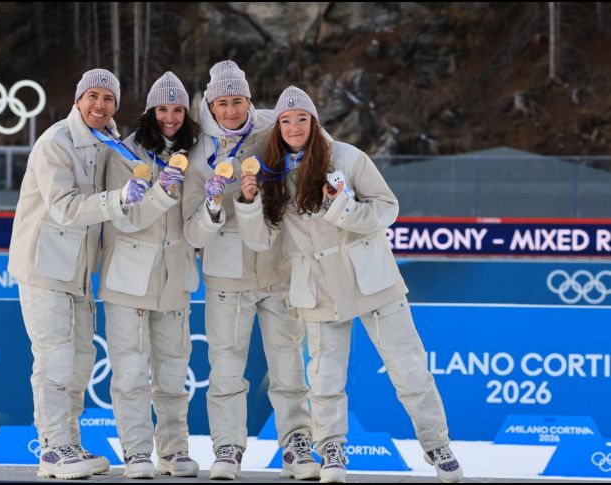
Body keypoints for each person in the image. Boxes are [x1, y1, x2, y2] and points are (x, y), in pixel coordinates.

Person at [236, 85, 464, 483]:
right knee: (325, 379)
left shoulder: (347, 157)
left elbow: (387, 209)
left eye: (301, 118)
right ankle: (332, 451)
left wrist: (343, 204)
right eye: (286, 120)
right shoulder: (271, 172)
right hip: (318, 288)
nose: (293, 127)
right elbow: (259, 239)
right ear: (278, 127)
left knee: (409, 368)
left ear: (314, 121)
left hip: (372, 280)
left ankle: (437, 444)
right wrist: (250, 201)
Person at [8, 68, 151, 480]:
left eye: (108, 99)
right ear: (78, 99)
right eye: (93, 96)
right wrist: (120, 198)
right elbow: (65, 207)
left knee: (80, 361)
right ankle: (53, 446)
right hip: (44, 267)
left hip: (80, 273)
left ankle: (68, 442)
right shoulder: (54, 143)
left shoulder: (109, 143)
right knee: (54, 359)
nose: (99, 105)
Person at [182, 61, 318, 481]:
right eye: (222, 103)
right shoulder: (196, 150)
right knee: (225, 369)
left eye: (238, 101)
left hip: (278, 267)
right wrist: (211, 205)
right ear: (210, 104)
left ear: (249, 100)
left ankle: (297, 444)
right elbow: (191, 231)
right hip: (227, 277)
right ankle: (227, 447)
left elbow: (318, 142)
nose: (231, 111)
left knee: (289, 366)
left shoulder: (272, 126)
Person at [99, 71, 201, 479]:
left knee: (174, 374)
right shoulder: (124, 153)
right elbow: (124, 218)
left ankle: (174, 450)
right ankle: (137, 452)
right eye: (163, 109)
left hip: (175, 278)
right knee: (130, 373)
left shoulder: (196, 153)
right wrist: (162, 191)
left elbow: (195, 217)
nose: (170, 117)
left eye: (177, 110)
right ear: (149, 111)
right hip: (129, 279)